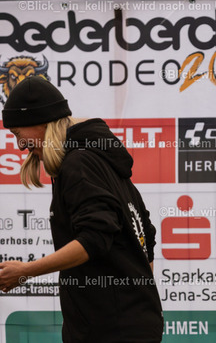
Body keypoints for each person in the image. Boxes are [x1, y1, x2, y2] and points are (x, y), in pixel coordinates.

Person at [0, 76, 163, 342]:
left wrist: (25, 271)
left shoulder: (79, 164)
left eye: (18, 134)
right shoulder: (102, 160)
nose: (19, 146)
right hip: (128, 324)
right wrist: (137, 296)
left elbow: (95, 238)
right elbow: (146, 234)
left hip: (109, 330)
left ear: (42, 123)